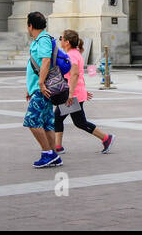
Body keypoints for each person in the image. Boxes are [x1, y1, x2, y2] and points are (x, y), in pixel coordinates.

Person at [52, 31, 113, 155]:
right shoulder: (74, 53)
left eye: (61, 38)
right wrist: (82, 91)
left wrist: (70, 95)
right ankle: (58, 146)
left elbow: (74, 75)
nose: (60, 41)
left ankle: (106, 138)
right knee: (72, 121)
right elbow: (77, 76)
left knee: (68, 120)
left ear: (67, 42)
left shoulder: (72, 55)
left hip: (72, 95)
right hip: (75, 93)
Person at [23, 11, 61, 168]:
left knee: (31, 120)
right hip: (39, 88)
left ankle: (47, 153)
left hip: (42, 88)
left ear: (30, 26)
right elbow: (36, 64)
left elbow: (45, 61)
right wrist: (30, 88)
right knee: (46, 123)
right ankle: (54, 155)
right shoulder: (40, 39)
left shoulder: (43, 39)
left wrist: (40, 84)